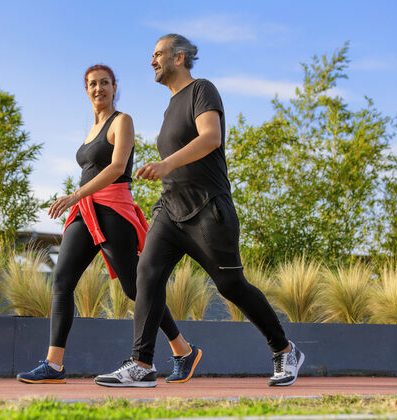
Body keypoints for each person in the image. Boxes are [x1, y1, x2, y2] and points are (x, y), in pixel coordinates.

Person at [95, 35, 305, 388]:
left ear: (179, 58)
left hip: (208, 210)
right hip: (170, 209)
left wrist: (164, 164)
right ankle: (142, 363)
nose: (152, 61)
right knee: (146, 273)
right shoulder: (170, 107)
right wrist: (165, 174)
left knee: (231, 285)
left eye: (157, 54)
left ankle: (284, 349)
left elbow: (211, 137)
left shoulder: (201, 90)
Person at [17, 64, 199, 386]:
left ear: (115, 87)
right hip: (85, 212)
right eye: (92, 84)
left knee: (134, 288)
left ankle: (182, 350)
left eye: (104, 83)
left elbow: (116, 167)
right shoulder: (90, 129)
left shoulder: (122, 121)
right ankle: (53, 364)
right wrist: (78, 201)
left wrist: (74, 195)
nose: (98, 88)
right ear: (86, 90)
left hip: (113, 209)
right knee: (62, 279)